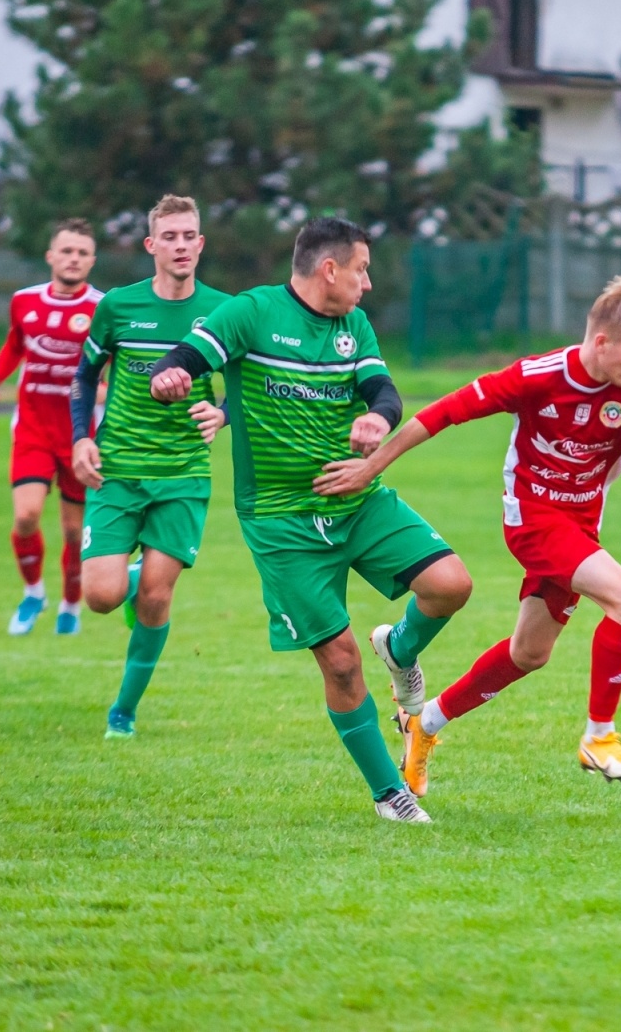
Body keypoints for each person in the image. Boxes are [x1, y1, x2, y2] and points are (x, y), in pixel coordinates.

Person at [314, 276, 621, 793]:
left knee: (530, 653)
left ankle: (426, 722)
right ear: (600, 343)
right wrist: (371, 469)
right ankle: (600, 737)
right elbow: (442, 414)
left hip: (582, 525)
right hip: (534, 521)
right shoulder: (538, 376)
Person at [149, 217, 471, 824]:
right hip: (281, 520)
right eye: (362, 270)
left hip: (357, 498)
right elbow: (188, 356)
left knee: (451, 585)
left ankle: (400, 650)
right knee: (342, 661)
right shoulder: (251, 313)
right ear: (330, 270)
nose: (367, 284)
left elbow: (383, 389)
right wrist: (172, 376)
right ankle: (390, 795)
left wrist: (377, 421)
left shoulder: (354, 324)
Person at [69, 195, 230, 739]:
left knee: (158, 599)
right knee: (100, 597)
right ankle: (129, 576)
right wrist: (80, 440)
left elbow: (254, 389)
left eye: (190, 236)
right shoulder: (117, 306)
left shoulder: (224, 312)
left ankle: (124, 710)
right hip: (117, 468)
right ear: (151, 246)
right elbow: (85, 376)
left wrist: (223, 413)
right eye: (171, 237)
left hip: (184, 473)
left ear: (201, 244)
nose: (181, 245)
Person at [0, 218, 105, 634]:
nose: (74, 258)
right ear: (51, 256)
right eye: (67, 250)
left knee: (73, 532)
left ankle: (71, 603)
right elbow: (16, 343)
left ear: (92, 261)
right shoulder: (24, 301)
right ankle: (34, 594)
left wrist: (105, 390)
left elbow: (117, 364)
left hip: (79, 435)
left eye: (82, 252)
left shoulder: (104, 308)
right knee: (27, 515)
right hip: (32, 428)